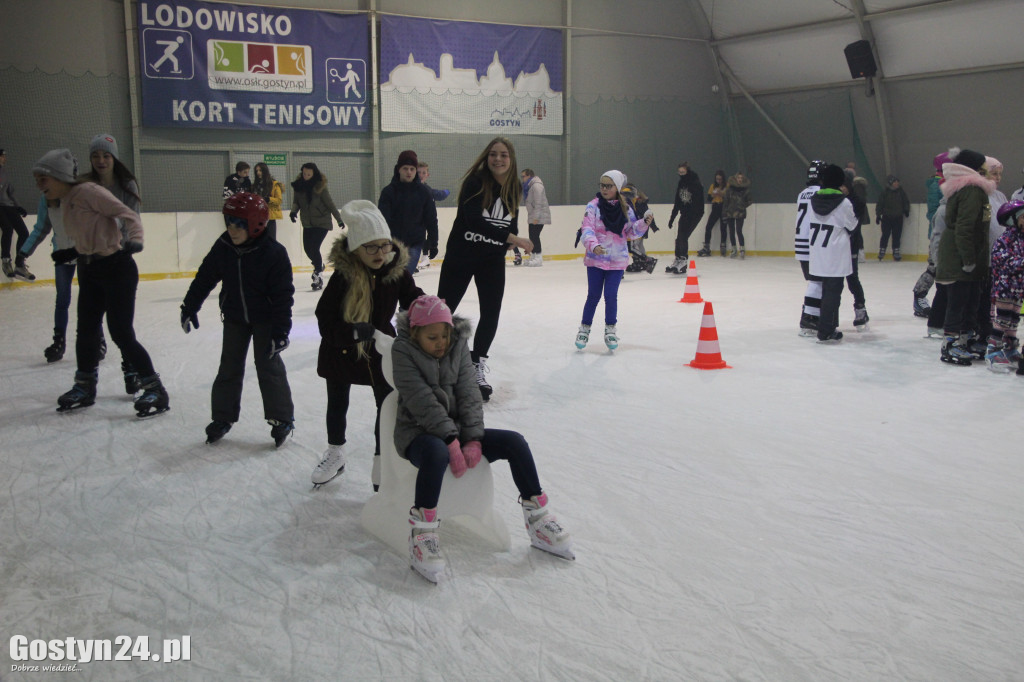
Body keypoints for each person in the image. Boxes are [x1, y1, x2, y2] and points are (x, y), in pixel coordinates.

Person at [391, 294, 573, 582]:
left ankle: (538, 517)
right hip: (417, 431)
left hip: (460, 430)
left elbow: (469, 393)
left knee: (514, 442)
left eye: (445, 334)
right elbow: (420, 399)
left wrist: (473, 438)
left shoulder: (457, 345)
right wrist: (451, 441)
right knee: (437, 453)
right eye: (432, 337)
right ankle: (423, 533)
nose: (441, 342)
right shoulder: (402, 350)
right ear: (415, 334)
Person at [34, 149, 169, 416]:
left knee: (120, 332)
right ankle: (84, 386)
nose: (39, 185)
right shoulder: (65, 200)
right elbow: (92, 234)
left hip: (117, 268)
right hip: (89, 268)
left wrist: (136, 239)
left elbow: (127, 214)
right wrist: (73, 252)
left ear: (59, 176)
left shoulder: (89, 192)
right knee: (86, 331)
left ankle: (155, 388)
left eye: (43, 179)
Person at [311, 200, 424, 489]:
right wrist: (349, 332)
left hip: (379, 348)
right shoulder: (343, 277)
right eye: (370, 247)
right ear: (356, 248)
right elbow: (324, 317)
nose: (380, 253)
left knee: (386, 405)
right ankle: (335, 452)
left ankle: (381, 459)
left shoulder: (395, 271)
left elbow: (413, 300)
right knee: (337, 403)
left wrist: (433, 309)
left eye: (384, 245)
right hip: (342, 347)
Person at [180, 193, 295, 446]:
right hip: (234, 317)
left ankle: (281, 418)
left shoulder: (273, 253)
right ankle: (223, 417)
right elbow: (205, 277)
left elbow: (283, 296)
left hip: (265, 320)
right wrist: (190, 306)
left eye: (239, 223)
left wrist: (281, 332)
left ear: (255, 224)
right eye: (229, 222)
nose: (232, 229)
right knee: (229, 367)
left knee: (268, 367)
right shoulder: (224, 246)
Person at [436, 136, 532, 402]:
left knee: (491, 313)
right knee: (443, 310)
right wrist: (514, 239)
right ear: (486, 157)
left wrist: (511, 240)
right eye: (493, 154)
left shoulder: (514, 188)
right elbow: (473, 220)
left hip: (490, 260)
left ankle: (476, 365)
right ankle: (429, 361)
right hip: (462, 256)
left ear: (511, 160)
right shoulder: (475, 182)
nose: (498, 159)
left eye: (503, 155)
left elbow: (511, 223)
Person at [78, 133, 145, 393]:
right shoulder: (84, 184)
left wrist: (125, 244)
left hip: (117, 259)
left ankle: (132, 371)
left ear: (114, 157)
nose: (101, 160)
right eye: (95, 155)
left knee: (120, 327)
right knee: (88, 325)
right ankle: (86, 378)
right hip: (90, 261)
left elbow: (132, 217)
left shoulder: (126, 184)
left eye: (106, 155)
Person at [574, 171, 652, 351]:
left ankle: (610, 329)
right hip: (596, 259)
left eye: (608, 186)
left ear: (617, 187)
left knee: (610, 296)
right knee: (593, 296)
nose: (604, 189)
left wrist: (644, 223)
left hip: (617, 261)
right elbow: (587, 229)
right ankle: (584, 328)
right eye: (602, 185)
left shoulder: (625, 207)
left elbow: (631, 232)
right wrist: (594, 246)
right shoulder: (593, 206)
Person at [936, 148, 996, 365]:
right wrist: (968, 259)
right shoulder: (972, 190)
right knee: (959, 301)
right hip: (960, 258)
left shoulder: (970, 189)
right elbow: (965, 227)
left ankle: (966, 339)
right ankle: (951, 344)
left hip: (967, 255)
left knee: (970, 300)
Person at [807, 165, 858, 343]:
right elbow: (852, 225)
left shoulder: (813, 200)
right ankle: (826, 329)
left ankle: (827, 325)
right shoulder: (843, 202)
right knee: (833, 293)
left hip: (818, 252)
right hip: (835, 254)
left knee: (824, 291)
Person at [378, 150, 438, 275]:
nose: (409, 172)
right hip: (392, 244)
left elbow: (431, 219)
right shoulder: (388, 192)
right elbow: (383, 221)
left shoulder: (424, 192)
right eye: (405, 168)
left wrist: (433, 243)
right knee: (391, 278)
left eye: (412, 169)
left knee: (404, 276)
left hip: (414, 243)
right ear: (398, 169)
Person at [289, 162, 343, 291]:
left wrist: (339, 220)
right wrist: (293, 212)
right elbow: (296, 202)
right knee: (308, 249)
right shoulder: (299, 186)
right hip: (307, 222)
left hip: (322, 222)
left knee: (314, 247)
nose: (306, 176)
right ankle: (319, 265)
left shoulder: (320, 187)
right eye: (304, 173)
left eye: (309, 174)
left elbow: (330, 204)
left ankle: (318, 273)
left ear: (314, 174)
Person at [985, 200, 1024, 371]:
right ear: (1013, 219)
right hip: (1005, 288)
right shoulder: (1006, 239)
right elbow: (1003, 261)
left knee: (1014, 320)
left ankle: (1010, 348)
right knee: (1002, 320)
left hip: (1018, 289)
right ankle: (993, 350)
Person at [913, 151, 952, 317]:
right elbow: (932, 213)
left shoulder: (948, 184)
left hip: (948, 234)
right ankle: (919, 296)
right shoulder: (936, 186)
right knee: (934, 267)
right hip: (940, 234)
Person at [796, 160, 826, 336]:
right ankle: (809, 317)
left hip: (801, 243)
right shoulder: (821, 193)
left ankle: (811, 316)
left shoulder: (802, 194)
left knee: (815, 281)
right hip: (813, 243)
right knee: (817, 282)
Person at [0, 148, 35, 280]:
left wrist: (18, 206)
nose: (5, 158)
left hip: (8, 205)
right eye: (2, 156)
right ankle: (5, 260)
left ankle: (19, 263)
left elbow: (10, 191)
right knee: (7, 229)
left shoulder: (4, 172)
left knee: (24, 233)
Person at [666, 162, 704, 274]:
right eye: (679, 172)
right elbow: (678, 201)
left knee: (683, 237)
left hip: (695, 214)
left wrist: (693, 213)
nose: (681, 174)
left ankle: (683, 260)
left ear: (687, 171)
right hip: (685, 214)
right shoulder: (681, 182)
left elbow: (698, 201)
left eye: (683, 172)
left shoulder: (695, 182)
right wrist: (672, 217)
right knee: (679, 238)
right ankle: (678, 259)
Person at [416, 161, 449, 271]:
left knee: (424, 236)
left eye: (423, 172)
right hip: (413, 219)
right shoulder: (410, 189)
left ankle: (425, 257)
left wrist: (446, 191)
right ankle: (420, 258)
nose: (420, 175)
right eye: (418, 172)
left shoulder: (428, 190)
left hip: (425, 218)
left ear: (427, 175)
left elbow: (439, 195)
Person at [621, 182, 658, 274]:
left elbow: (647, 216)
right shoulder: (632, 202)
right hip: (635, 228)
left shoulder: (637, 203)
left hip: (637, 228)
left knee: (633, 247)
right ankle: (640, 262)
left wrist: (652, 226)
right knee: (632, 247)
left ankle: (646, 261)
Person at [875, 175, 911, 261]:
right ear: (891, 183)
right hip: (886, 217)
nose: (897, 184)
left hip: (898, 217)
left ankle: (896, 251)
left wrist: (906, 210)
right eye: (895, 182)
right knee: (885, 234)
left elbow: (905, 201)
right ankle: (882, 250)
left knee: (897, 235)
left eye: (897, 182)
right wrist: (878, 215)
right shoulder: (885, 192)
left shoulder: (901, 192)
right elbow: (880, 203)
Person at [520, 168, 550, 267]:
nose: (522, 178)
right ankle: (533, 256)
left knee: (535, 236)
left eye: (523, 176)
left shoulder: (536, 186)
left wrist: (536, 217)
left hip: (538, 216)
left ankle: (538, 257)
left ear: (529, 176)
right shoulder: (530, 186)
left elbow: (538, 202)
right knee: (532, 236)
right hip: (533, 215)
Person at [722, 171, 752, 259]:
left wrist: (743, 205)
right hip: (730, 212)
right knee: (731, 231)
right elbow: (726, 201)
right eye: (738, 178)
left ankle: (742, 249)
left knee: (739, 230)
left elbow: (749, 200)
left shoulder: (745, 190)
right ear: (735, 179)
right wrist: (724, 213)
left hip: (740, 212)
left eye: (741, 178)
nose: (740, 180)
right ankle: (734, 249)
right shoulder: (730, 189)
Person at [251, 162, 283, 242]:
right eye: (256, 171)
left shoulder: (274, 184)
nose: (258, 173)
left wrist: (268, 199)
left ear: (265, 171)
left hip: (270, 217)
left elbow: (279, 200)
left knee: (271, 241)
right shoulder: (255, 186)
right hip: (257, 217)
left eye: (260, 170)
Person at [698, 170, 726, 257]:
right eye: (717, 179)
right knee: (708, 226)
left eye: (720, 179)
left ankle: (723, 245)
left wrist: (721, 193)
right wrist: (714, 194)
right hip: (715, 207)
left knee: (723, 227)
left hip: (723, 207)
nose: (718, 181)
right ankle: (706, 246)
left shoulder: (726, 186)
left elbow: (728, 196)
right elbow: (709, 198)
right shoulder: (713, 186)